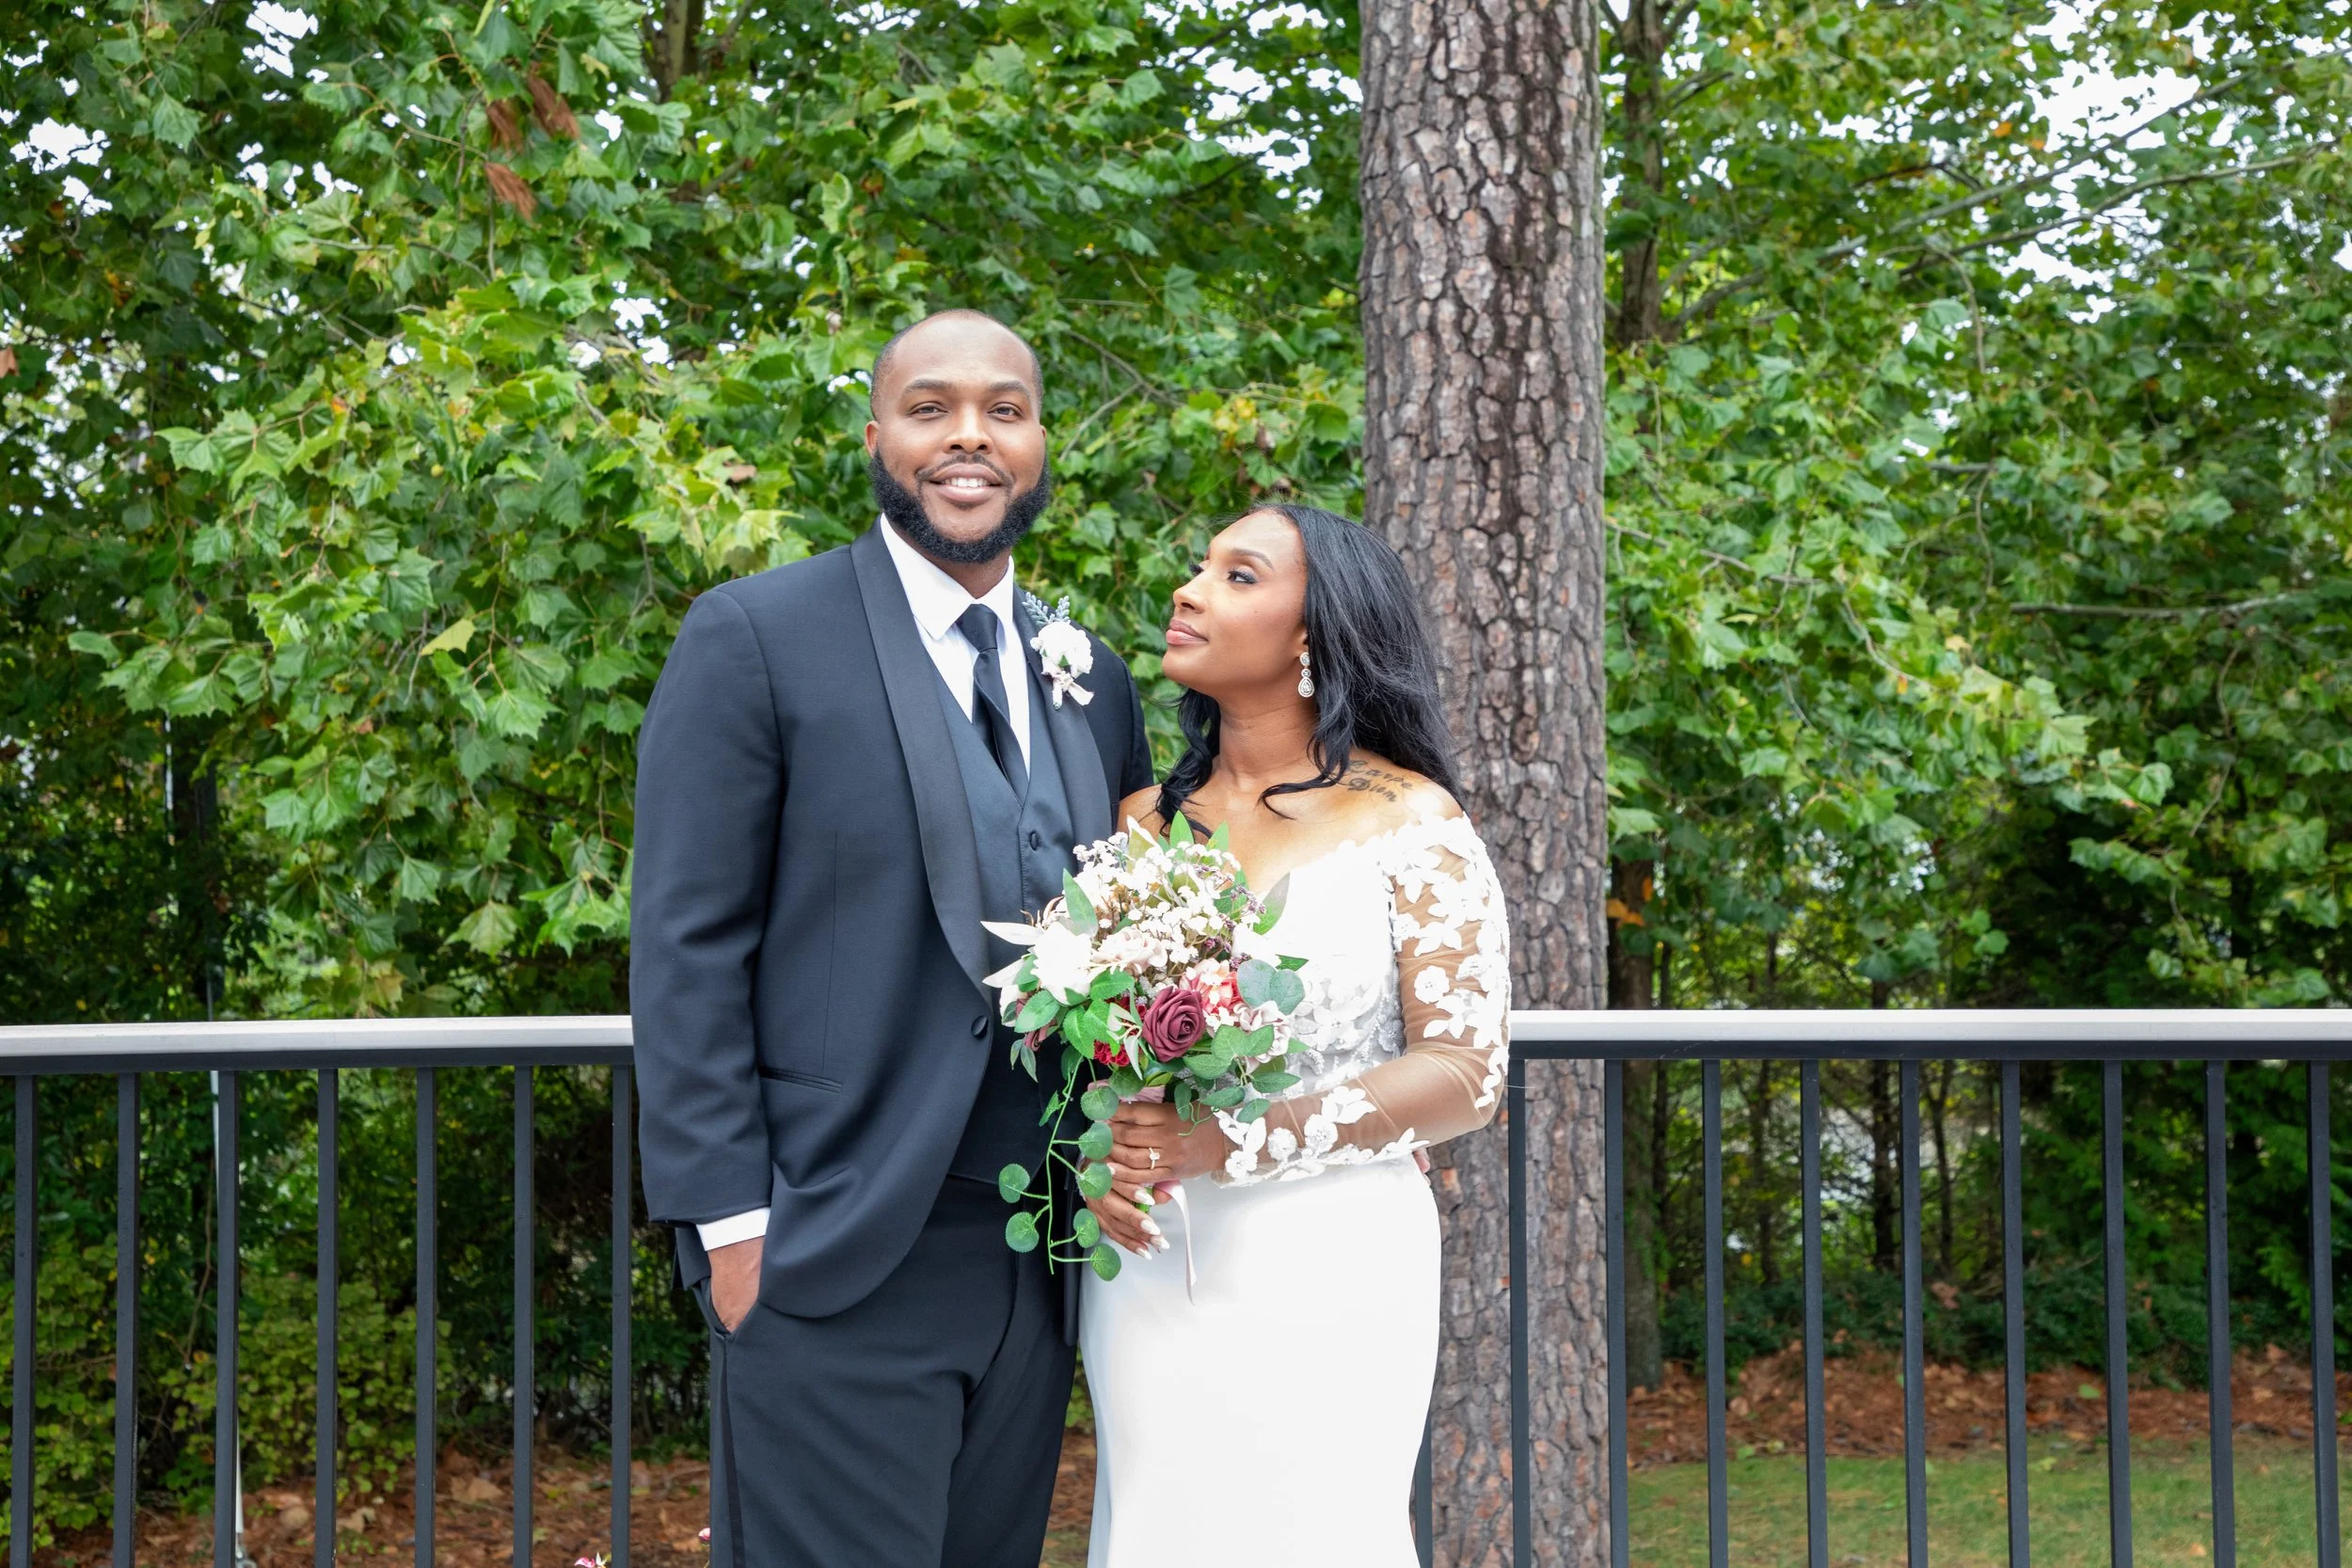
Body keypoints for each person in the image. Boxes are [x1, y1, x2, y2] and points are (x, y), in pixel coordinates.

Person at [629, 309, 1155, 1567]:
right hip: (831, 1240)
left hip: (1037, 1258)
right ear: (877, 435)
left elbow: (1143, 935)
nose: (968, 434)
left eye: (1005, 409)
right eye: (930, 406)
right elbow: (685, 941)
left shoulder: (1093, 672)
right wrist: (733, 1230)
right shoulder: (755, 636)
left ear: (1039, 447)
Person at [1078, 504, 1512, 1568]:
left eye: (1237, 575)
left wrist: (1238, 1140)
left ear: (1312, 631)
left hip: (1332, 1253)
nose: (1188, 590)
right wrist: (1096, 1158)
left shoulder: (1413, 819)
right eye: (1197, 568)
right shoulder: (1140, 824)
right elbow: (1091, 1046)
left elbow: (1465, 1071)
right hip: (1152, 1259)